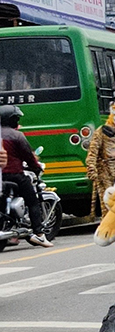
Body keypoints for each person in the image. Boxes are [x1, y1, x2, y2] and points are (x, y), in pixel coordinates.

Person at [0, 105, 52, 247]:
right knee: (33, 202)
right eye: (16, 118)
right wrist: (36, 167)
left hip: (1, 177)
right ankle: (39, 234)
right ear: (12, 119)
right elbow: (28, 156)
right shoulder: (17, 136)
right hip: (14, 175)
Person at [85, 100, 115, 217]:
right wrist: (92, 170)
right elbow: (92, 153)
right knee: (107, 204)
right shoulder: (101, 131)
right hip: (105, 172)